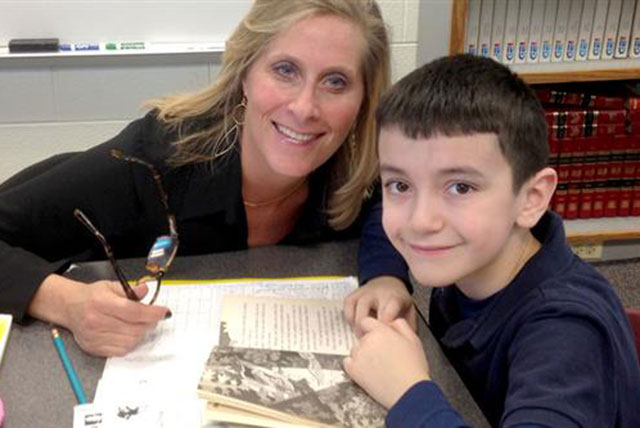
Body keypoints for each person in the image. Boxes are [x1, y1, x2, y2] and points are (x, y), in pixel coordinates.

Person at [0, 0, 408, 357]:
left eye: (336, 81)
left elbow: (385, 204)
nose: (305, 108)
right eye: (285, 70)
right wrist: (64, 301)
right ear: (244, 73)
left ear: (364, 99)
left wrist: (386, 273)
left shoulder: (349, 165)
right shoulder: (151, 162)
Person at [344, 54, 640, 427]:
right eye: (400, 185)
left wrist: (408, 392)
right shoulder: (472, 268)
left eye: (460, 187)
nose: (421, 221)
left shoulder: (567, 332)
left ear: (532, 199)